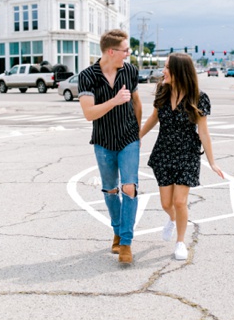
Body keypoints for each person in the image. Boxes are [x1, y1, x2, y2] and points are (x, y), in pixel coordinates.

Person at [141, 52, 223, 261]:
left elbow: (203, 131)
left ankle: (180, 242)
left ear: (179, 71)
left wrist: (212, 162)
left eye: (167, 67)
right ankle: (171, 219)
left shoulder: (198, 97)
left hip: (187, 154)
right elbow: (153, 118)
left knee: (180, 201)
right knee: (166, 204)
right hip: (164, 153)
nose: (163, 71)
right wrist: (136, 138)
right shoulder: (162, 91)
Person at [78, 29, 142, 265]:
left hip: (128, 139)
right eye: (125, 50)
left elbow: (137, 103)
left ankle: (125, 242)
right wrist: (115, 101)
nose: (128, 54)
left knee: (129, 187)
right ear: (111, 51)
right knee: (110, 190)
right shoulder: (87, 76)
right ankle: (117, 229)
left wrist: (137, 133)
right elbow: (88, 113)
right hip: (103, 141)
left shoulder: (130, 71)